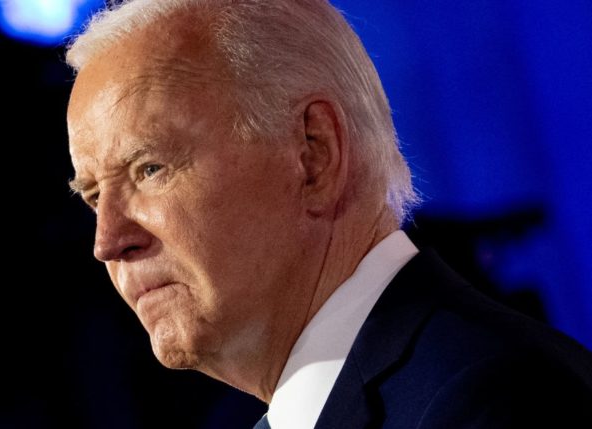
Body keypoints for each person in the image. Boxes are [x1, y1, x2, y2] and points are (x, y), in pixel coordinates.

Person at [64, 0, 592, 427]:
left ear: (313, 155)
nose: (107, 240)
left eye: (149, 169)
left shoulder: (492, 402)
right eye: (91, 197)